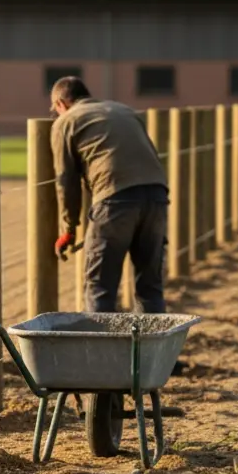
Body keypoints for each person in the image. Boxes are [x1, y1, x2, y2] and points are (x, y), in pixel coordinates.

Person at [48, 76, 168, 315]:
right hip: (156, 195)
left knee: (99, 287)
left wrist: (69, 229)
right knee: (150, 287)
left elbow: (66, 180)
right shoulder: (124, 110)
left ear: (61, 103)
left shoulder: (66, 122)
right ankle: (152, 352)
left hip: (115, 199)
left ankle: (102, 352)